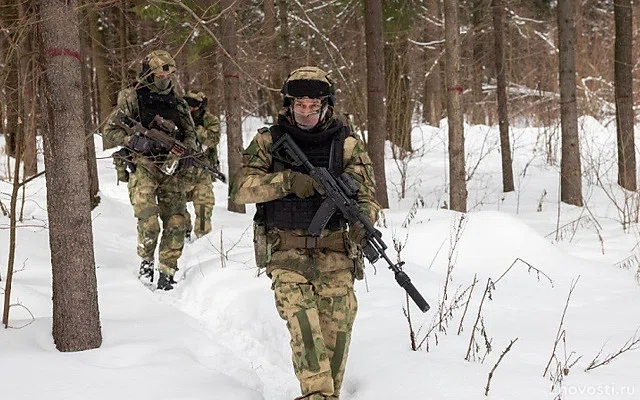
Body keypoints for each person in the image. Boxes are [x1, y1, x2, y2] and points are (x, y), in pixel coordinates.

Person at [232, 66, 380, 400]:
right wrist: (287, 182)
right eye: (300, 105)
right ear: (289, 104)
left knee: (335, 340)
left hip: (336, 255)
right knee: (304, 330)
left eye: (314, 105)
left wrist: (363, 222)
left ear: (327, 105)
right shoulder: (268, 141)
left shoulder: (348, 145)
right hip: (286, 253)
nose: (307, 112)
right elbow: (242, 189)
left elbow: (368, 197)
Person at [103, 50, 197, 291]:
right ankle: (146, 262)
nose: (165, 78)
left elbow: (191, 135)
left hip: (171, 168)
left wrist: (187, 152)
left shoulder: (177, 101)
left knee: (176, 222)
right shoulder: (132, 97)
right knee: (149, 222)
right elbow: (110, 131)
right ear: (148, 74)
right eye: (159, 73)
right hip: (143, 165)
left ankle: (167, 270)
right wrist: (133, 141)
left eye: (169, 74)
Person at [182, 90, 220, 241]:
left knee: (204, 208)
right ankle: (184, 233)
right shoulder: (179, 118)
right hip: (182, 171)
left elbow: (212, 139)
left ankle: (202, 240)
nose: (191, 110)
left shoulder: (210, 120)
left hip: (202, 171)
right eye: (188, 105)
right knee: (177, 207)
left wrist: (194, 128)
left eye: (194, 106)